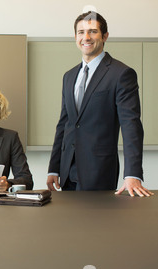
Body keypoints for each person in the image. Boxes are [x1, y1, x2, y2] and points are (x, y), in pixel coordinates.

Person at [47, 11, 153, 197]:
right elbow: (65, 124)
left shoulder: (121, 74)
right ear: (75, 37)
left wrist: (133, 173)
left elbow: (131, 125)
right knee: (68, 225)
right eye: (81, 32)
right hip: (67, 171)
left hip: (99, 171)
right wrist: (53, 168)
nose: (86, 37)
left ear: (105, 36)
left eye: (92, 31)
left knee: (96, 225)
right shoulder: (69, 76)